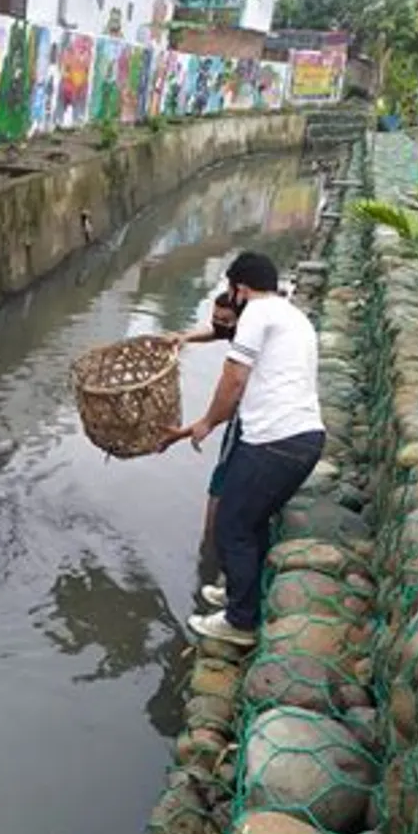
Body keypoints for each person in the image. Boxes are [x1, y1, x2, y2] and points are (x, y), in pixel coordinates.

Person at [161, 252, 325, 647]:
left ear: (240, 288)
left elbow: (233, 379)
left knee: (231, 526)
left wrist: (203, 424)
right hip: (305, 438)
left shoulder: (255, 313)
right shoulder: (290, 316)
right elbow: (225, 342)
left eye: (231, 290)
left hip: (273, 442)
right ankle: (242, 592)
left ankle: (239, 622)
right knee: (253, 522)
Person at [164, 292, 242, 550]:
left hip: (253, 422)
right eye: (215, 318)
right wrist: (185, 337)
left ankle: (210, 545)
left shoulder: (245, 353)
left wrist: (182, 434)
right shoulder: (243, 330)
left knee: (221, 480)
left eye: (226, 319)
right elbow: (217, 332)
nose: (220, 324)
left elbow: (227, 410)